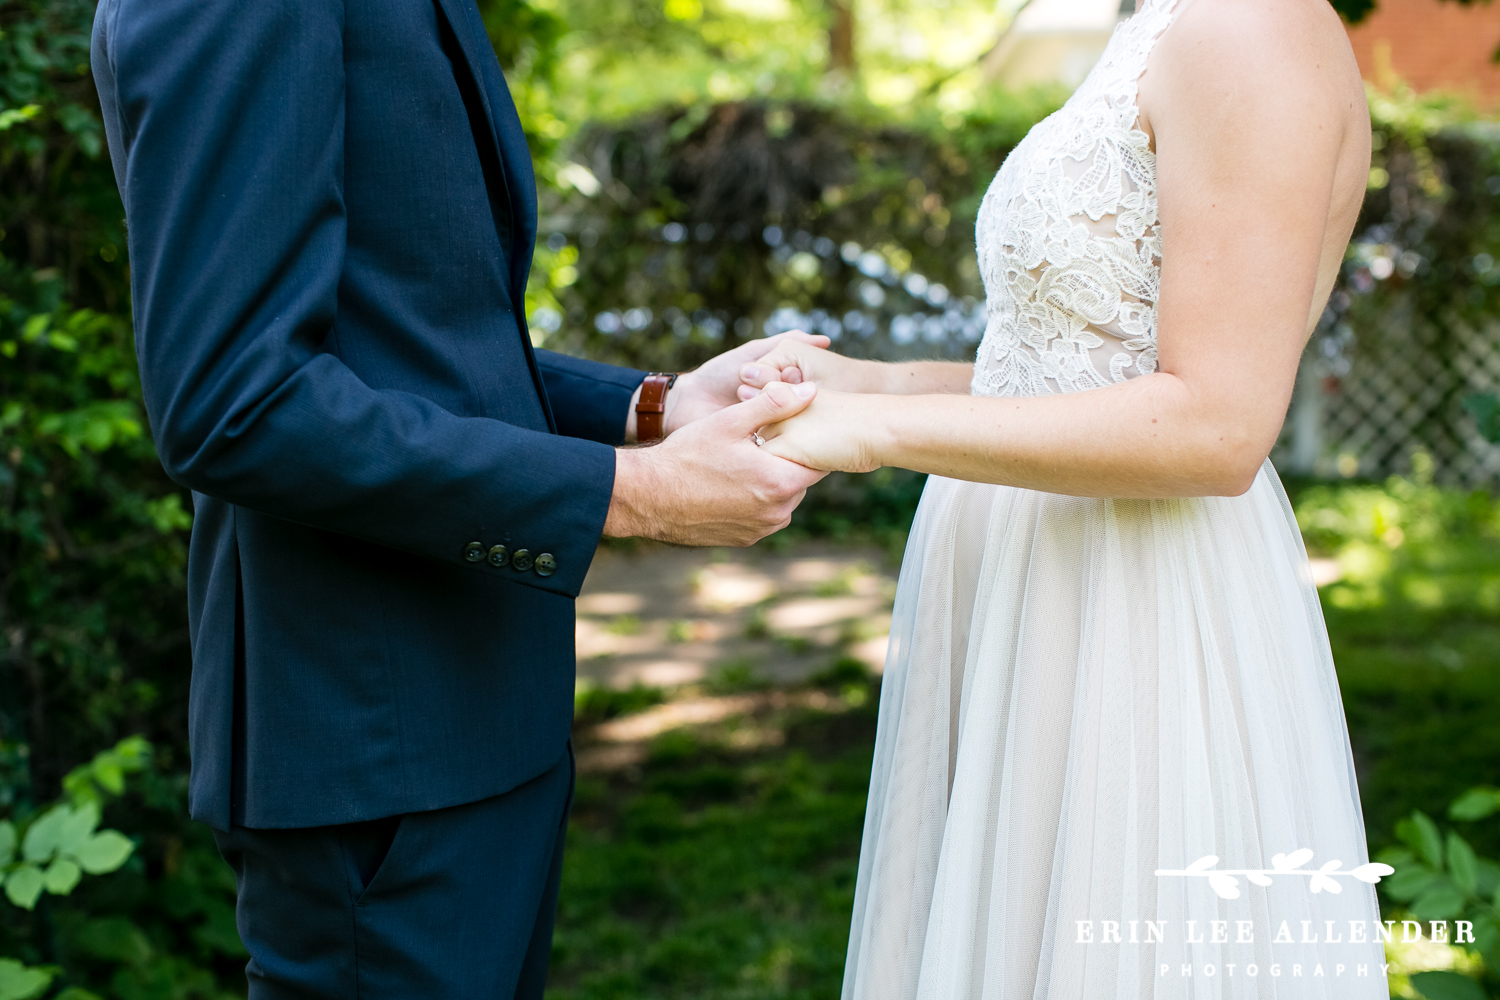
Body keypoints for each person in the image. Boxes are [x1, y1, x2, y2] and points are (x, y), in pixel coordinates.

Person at [89, 0, 825, 995]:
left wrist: (652, 408)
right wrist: (630, 495)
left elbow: (418, 334)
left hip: (487, 721)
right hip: (372, 752)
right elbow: (238, 402)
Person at [739, 0, 1391, 994]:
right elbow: (1056, 372)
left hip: (1130, 607)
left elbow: (1216, 424)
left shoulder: (1253, 27)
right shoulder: (1156, 24)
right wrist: (858, 383)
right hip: (1032, 593)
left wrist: (874, 437)